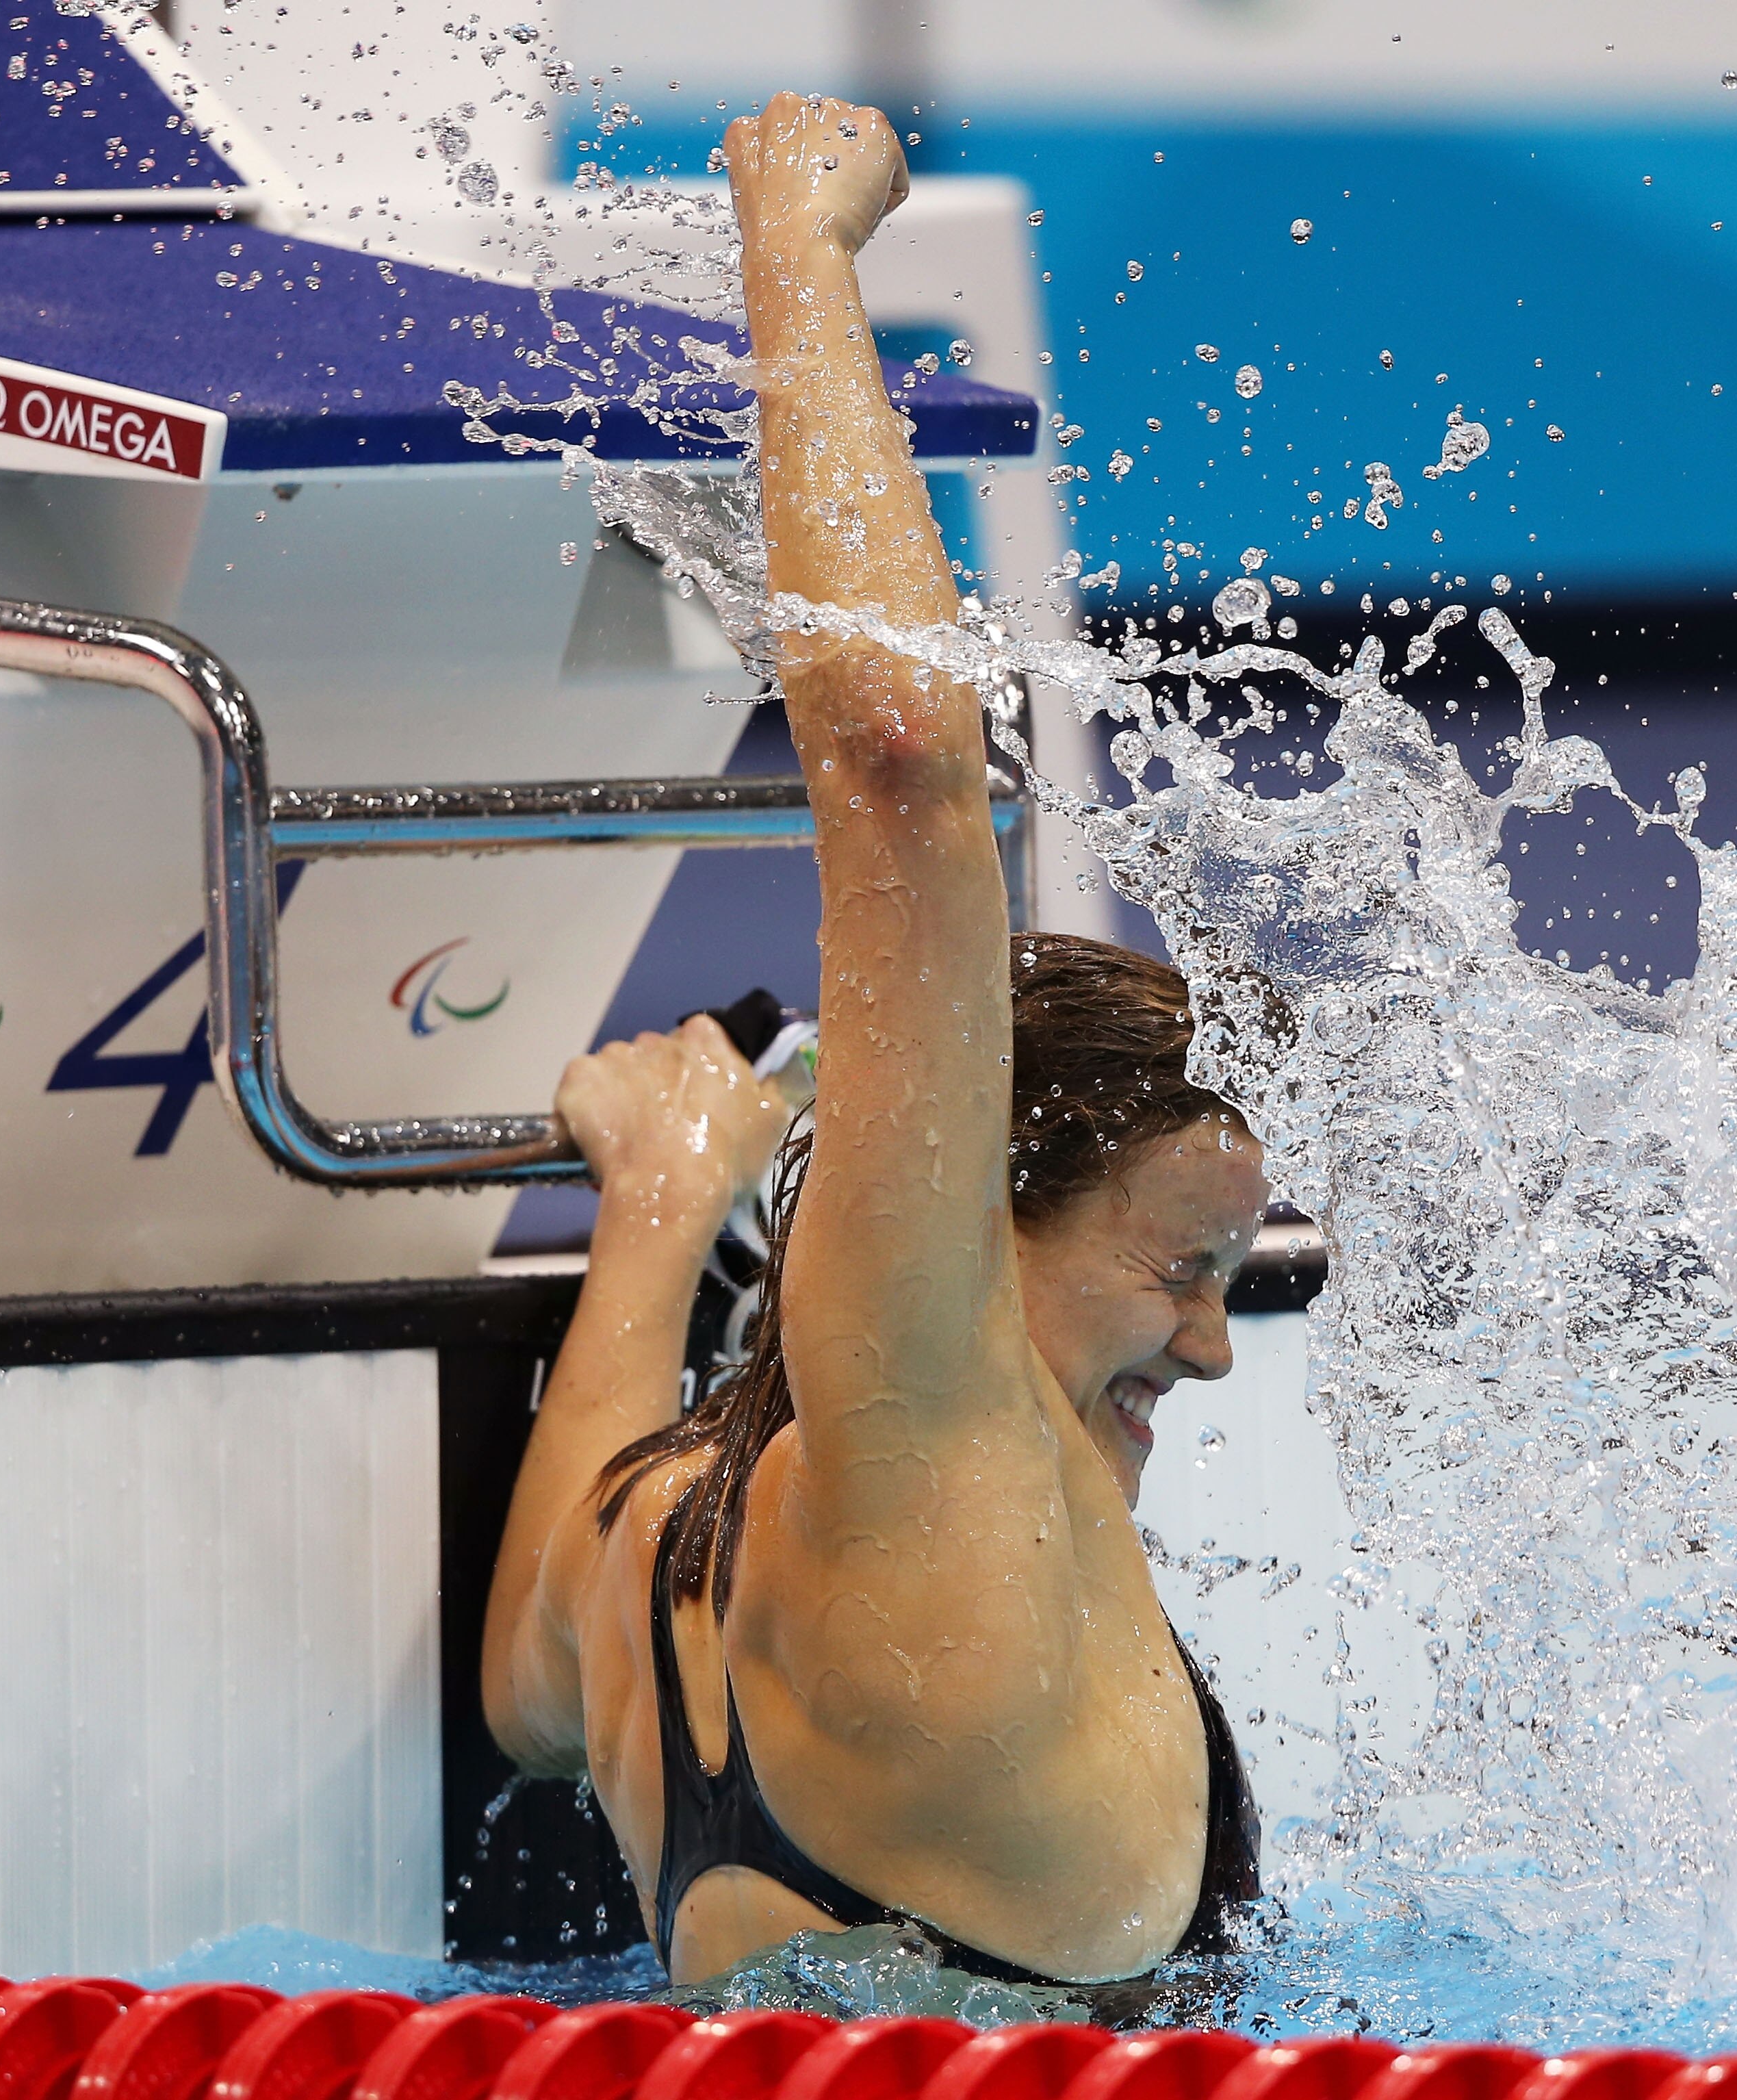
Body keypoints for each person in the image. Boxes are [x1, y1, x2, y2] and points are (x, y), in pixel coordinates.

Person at [480, 94, 1269, 1988]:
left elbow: (521, 1680)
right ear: (965, 1223)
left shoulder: (664, 1541)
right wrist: (804, 245)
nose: (1214, 1343)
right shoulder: (939, 1489)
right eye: (1180, 1269)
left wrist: (663, 1203)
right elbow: (906, 761)